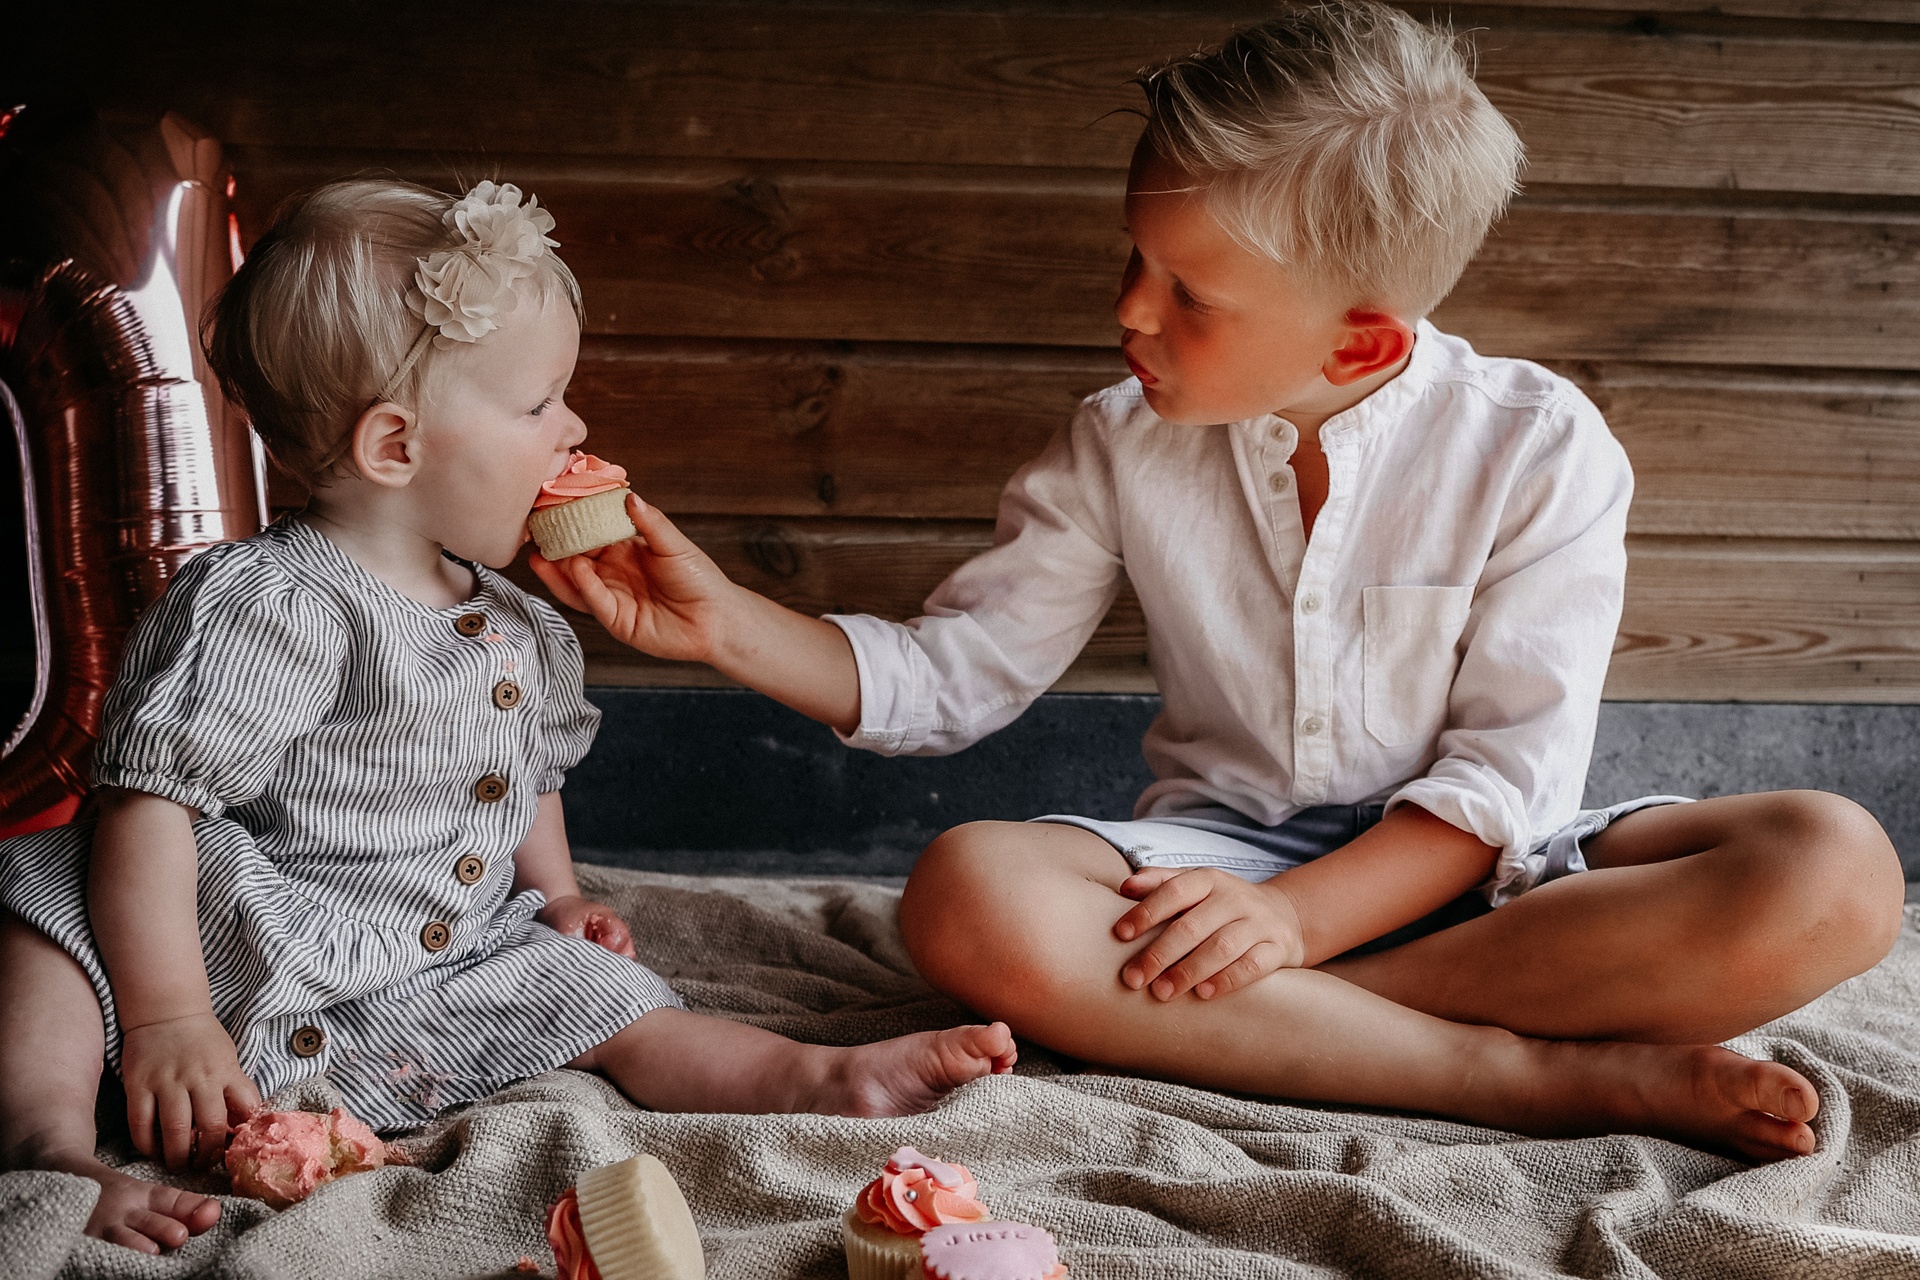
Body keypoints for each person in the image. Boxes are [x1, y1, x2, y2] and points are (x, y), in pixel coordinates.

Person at [538, 0, 1904, 1168]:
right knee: (964, 891)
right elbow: (961, 674)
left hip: (1496, 879)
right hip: (1214, 860)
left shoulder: (1540, 449)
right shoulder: (1117, 440)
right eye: (1134, 259)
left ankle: (1303, 1019)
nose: (1132, 309)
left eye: (1191, 291)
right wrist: (725, 621)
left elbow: (1507, 785)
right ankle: (1526, 1076)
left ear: (1364, 339)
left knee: (1835, 872)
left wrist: (1292, 933)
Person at [0, 177, 1015, 1255]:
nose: (574, 426)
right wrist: (168, 1017)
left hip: (439, 950)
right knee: (48, 906)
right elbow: (151, 798)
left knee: (606, 994)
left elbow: (523, 768)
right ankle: (50, 1141)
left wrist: (559, 891)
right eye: (539, 404)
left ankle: (816, 1077)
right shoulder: (266, 605)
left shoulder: (514, 623)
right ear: (396, 445)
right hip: (241, 928)